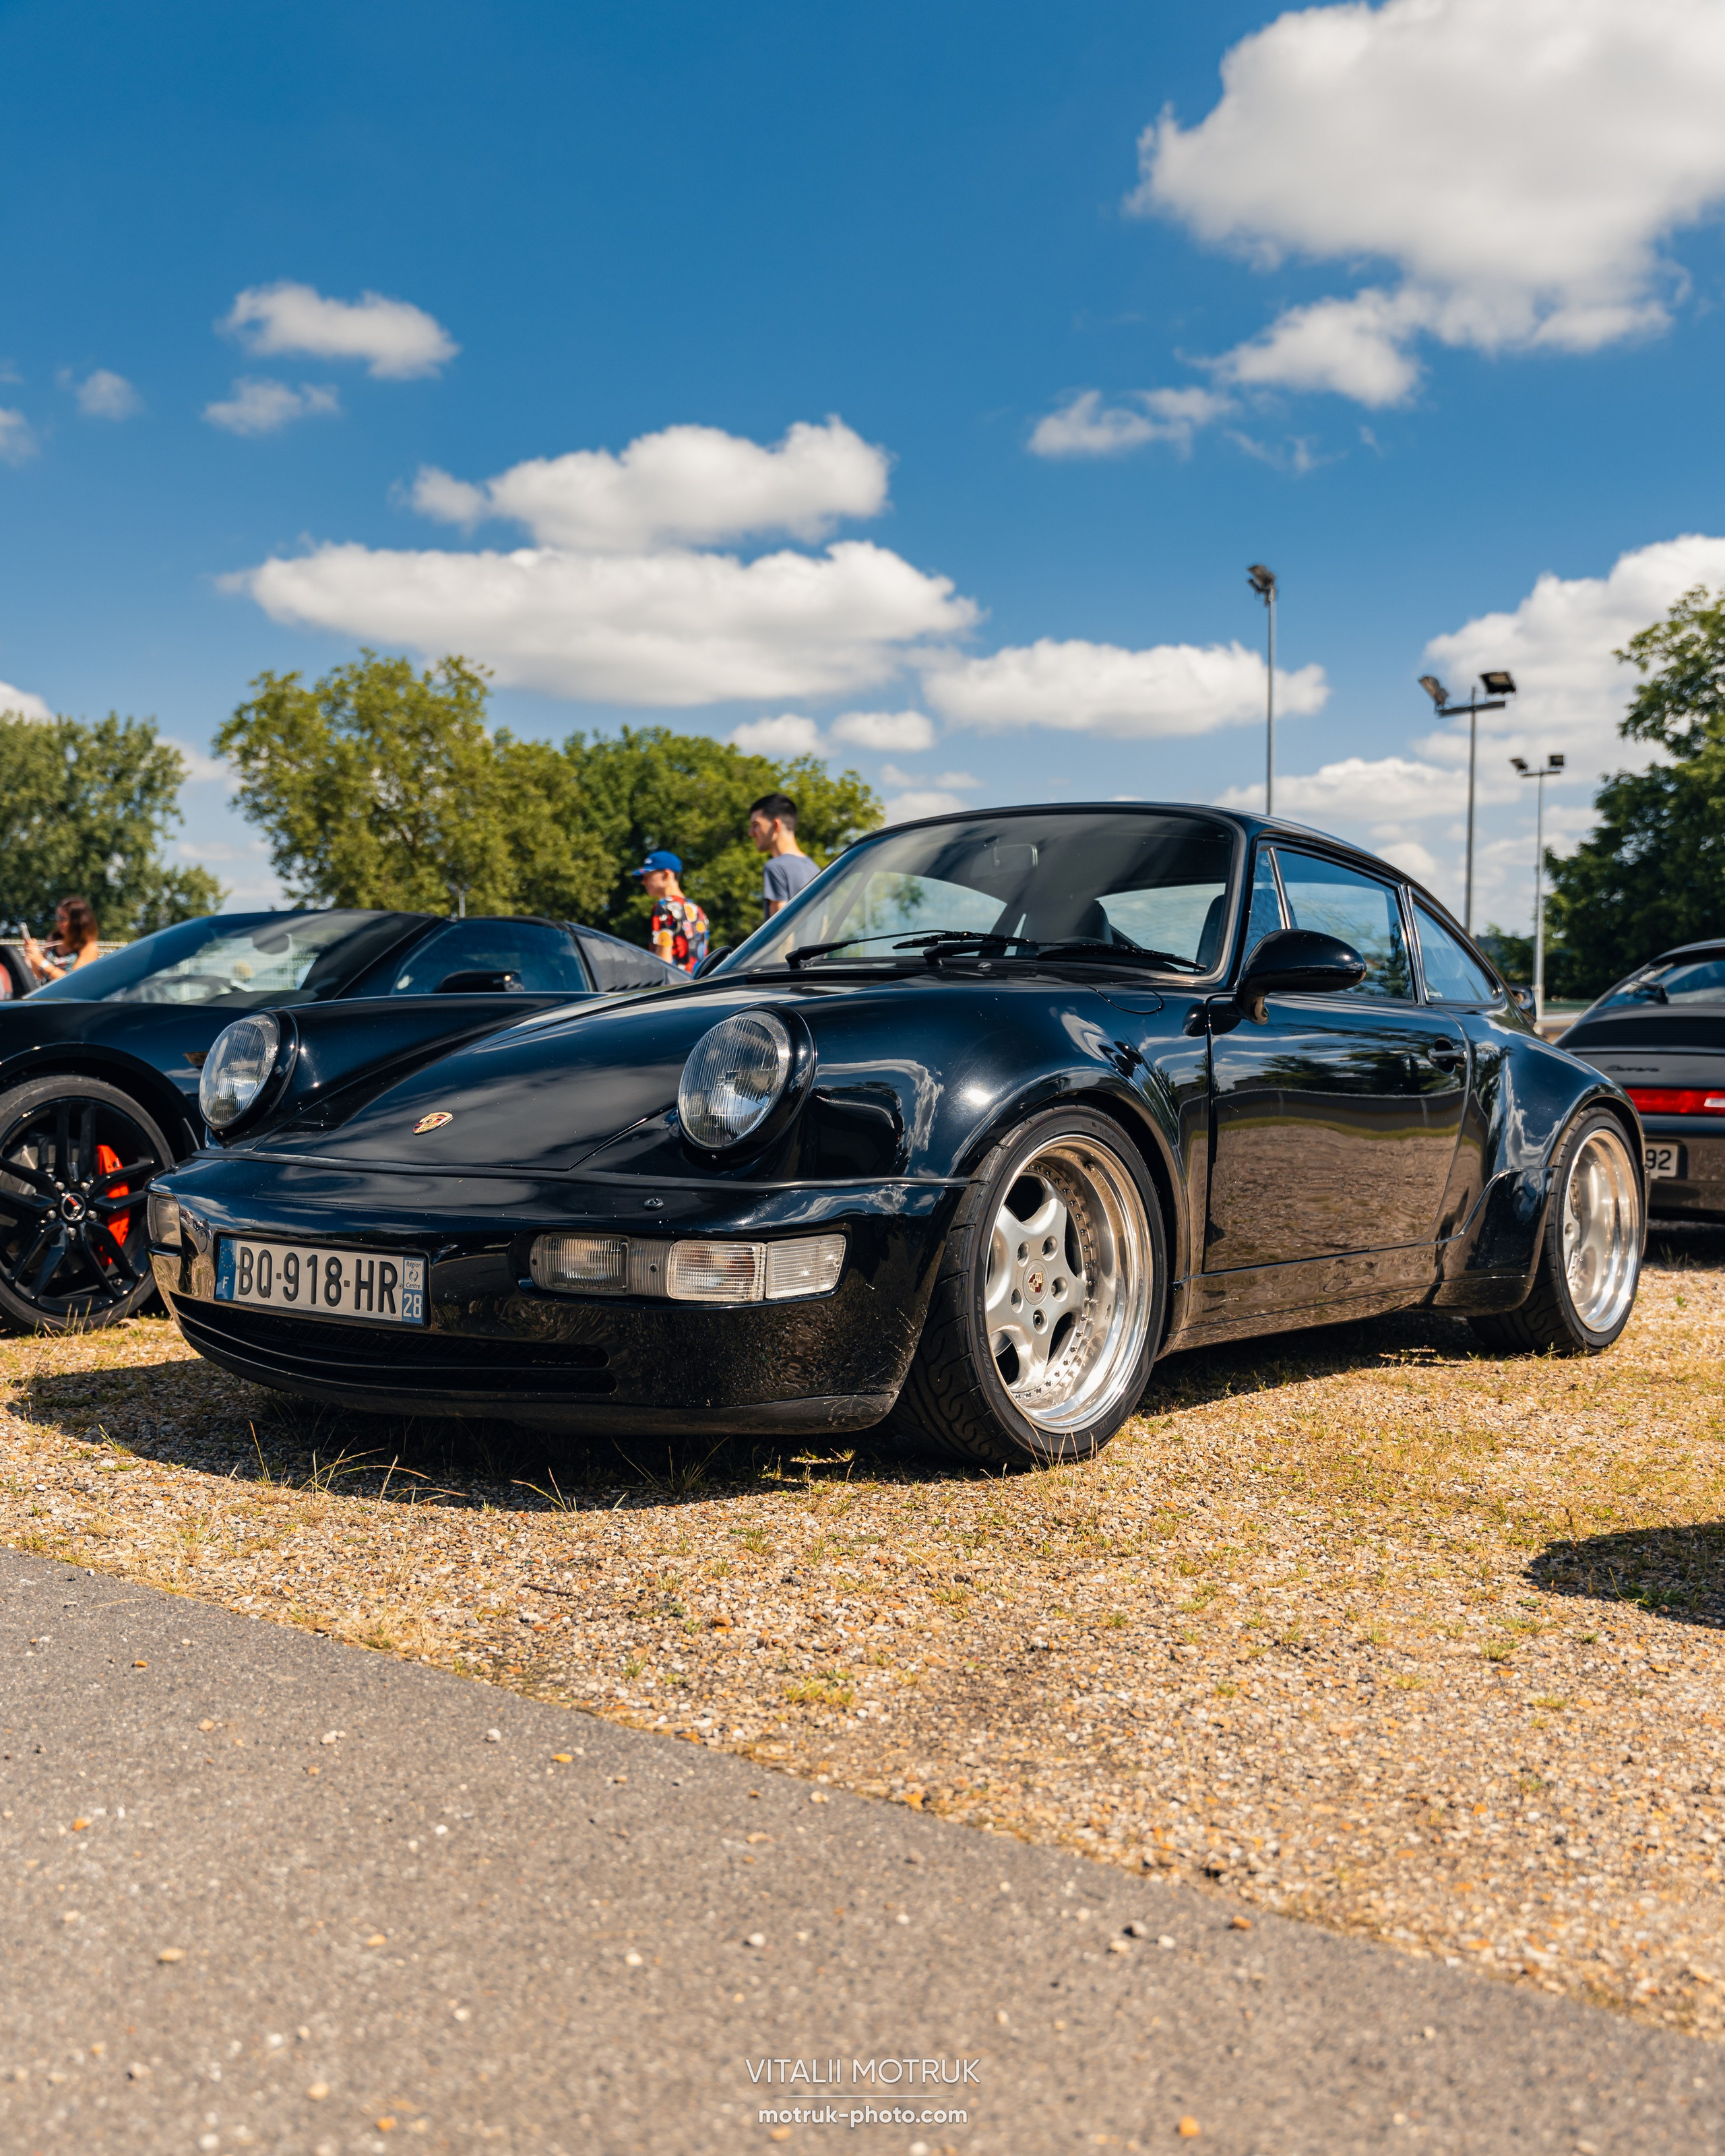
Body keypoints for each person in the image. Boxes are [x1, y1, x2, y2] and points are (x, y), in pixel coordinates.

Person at [630, 850, 709, 974]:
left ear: (666, 875)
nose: (643, 882)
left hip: (674, 988)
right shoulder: (697, 909)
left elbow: (663, 962)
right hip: (697, 986)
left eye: (648, 876)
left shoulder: (664, 907)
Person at [749, 792, 820, 917]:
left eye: (756, 826)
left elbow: (781, 934)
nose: (751, 833)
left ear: (775, 825)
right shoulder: (816, 869)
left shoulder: (775, 867)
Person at [24, 895, 102, 984]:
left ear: (77, 922)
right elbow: (40, 976)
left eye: (63, 919)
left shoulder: (89, 947)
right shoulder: (54, 938)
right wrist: (33, 957)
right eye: (57, 917)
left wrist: (42, 962)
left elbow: (74, 981)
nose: (58, 922)